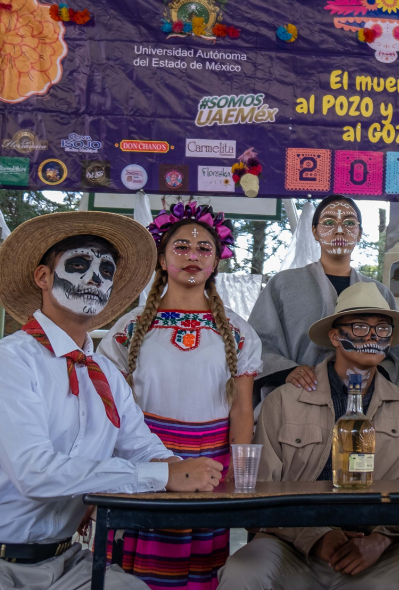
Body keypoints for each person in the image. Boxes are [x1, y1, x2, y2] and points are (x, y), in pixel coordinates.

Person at [0, 212, 223, 590]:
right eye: (80, 264)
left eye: (105, 271)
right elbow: (35, 473)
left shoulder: (104, 374)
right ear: (43, 277)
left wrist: (180, 468)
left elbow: (141, 446)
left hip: (63, 562)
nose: (94, 279)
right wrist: (162, 476)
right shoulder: (7, 361)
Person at [218, 282, 399, 590]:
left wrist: (380, 540)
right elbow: (261, 494)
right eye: (361, 327)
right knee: (244, 569)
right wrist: (316, 537)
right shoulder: (283, 402)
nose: (374, 337)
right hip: (292, 547)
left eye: (383, 329)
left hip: (374, 554)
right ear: (336, 336)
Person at [100, 201, 262, 590]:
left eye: (204, 248)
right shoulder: (127, 330)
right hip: (145, 462)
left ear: (216, 262)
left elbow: (242, 408)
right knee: (132, 571)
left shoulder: (240, 333)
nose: (193, 255)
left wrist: (241, 479)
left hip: (211, 465)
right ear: (161, 259)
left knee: (199, 570)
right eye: (181, 247)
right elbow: (109, 412)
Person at [249, 195, 399, 397]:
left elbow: (394, 354)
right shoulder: (283, 285)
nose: (339, 230)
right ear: (315, 231)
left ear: (360, 232)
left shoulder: (380, 293)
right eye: (329, 222)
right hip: (295, 400)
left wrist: (373, 377)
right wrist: (285, 371)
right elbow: (257, 341)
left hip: (361, 401)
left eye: (349, 223)